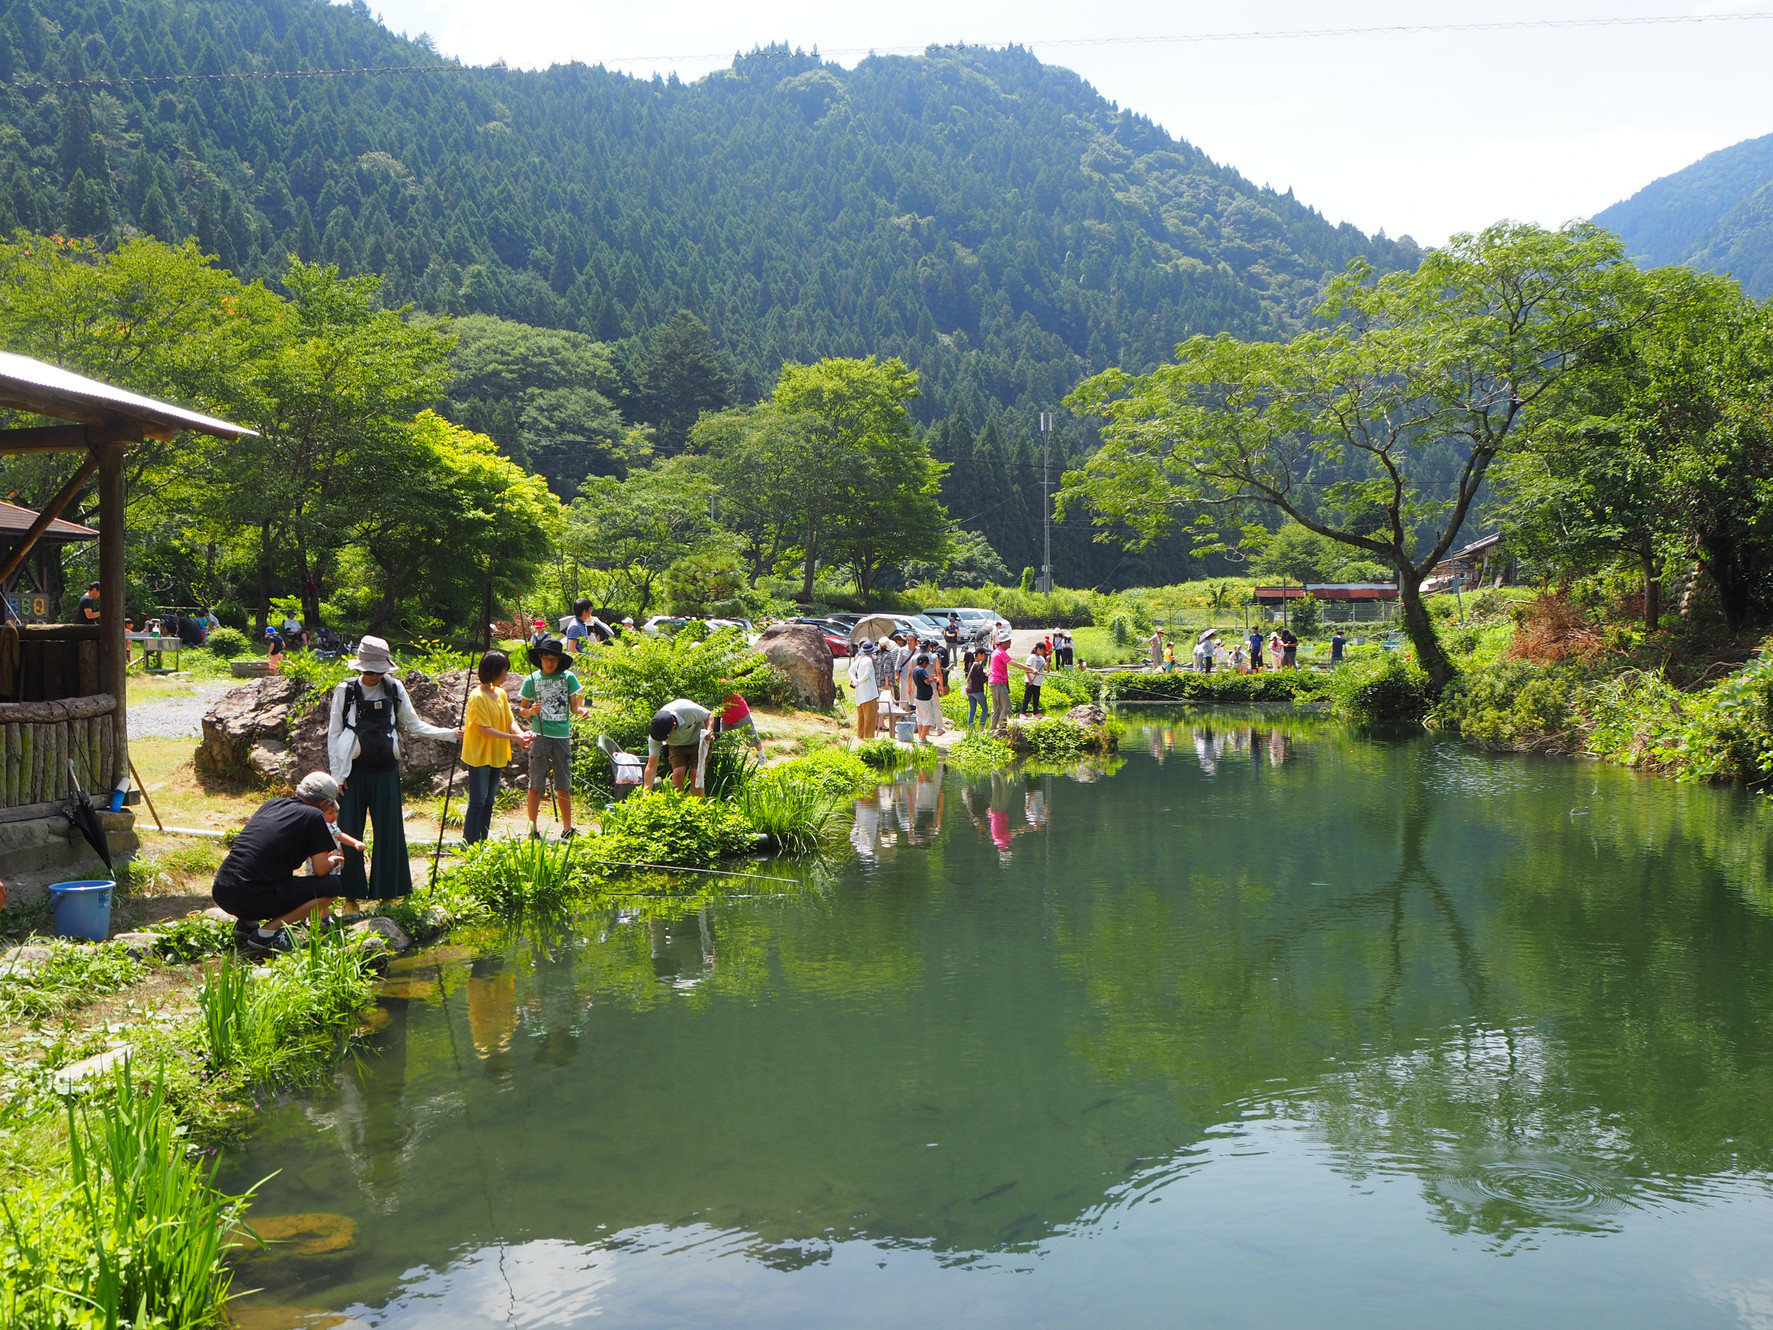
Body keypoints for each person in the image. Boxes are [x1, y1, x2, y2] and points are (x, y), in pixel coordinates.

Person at [327, 635, 462, 900]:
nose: (373, 676)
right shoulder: (346, 690)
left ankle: (389, 893)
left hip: (386, 770)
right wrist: (336, 776)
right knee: (349, 830)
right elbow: (334, 733)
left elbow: (414, 724)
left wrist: (449, 734)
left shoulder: (395, 689)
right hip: (352, 773)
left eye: (378, 671)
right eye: (369, 671)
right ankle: (350, 896)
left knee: (389, 831)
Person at [212, 772, 346, 958]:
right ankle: (268, 934)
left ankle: (248, 924)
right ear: (324, 803)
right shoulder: (314, 816)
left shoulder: (272, 803)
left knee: (263, 871)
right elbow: (321, 869)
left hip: (222, 889)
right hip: (250, 895)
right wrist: (332, 862)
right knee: (332, 886)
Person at [518, 638, 587, 837]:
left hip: (562, 736)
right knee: (536, 783)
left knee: (564, 784)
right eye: (547, 659)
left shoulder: (568, 678)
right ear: (540, 658)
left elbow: (574, 707)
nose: (550, 663)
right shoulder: (531, 679)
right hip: (540, 735)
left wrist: (581, 710)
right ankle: (533, 828)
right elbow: (522, 710)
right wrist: (531, 711)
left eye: (554, 660)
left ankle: (567, 828)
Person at [462, 650, 531, 844]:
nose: (506, 675)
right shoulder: (477, 697)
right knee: (477, 802)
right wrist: (514, 738)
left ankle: (482, 841)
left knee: (489, 801)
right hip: (479, 755)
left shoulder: (500, 693)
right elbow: (484, 729)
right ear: (494, 671)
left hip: (497, 754)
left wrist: (521, 735)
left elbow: (510, 720)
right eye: (504, 671)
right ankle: (470, 843)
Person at [645, 697, 713, 793]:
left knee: (696, 774)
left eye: (666, 737)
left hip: (698, 741)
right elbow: (652, 765)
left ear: (674, 725)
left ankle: (698, 805)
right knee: (678, 773)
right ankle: (677, 804)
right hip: (677, 746)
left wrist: (709, 730)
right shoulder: (656, 734)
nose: (664, 740)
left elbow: (709, 715)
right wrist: (646, 793)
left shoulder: (688, 710)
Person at [849, 638, 882, 739]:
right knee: (870, 717)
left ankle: (860, 736)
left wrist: (855, 680)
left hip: (860, 691)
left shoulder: (859, 659)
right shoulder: (868, 660)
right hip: (869, 692)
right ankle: (869, 738)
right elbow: (867, 674)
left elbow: (850, 670)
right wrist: (859, 681)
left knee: (861, 716)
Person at [911, 648, 942, 742]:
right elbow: (927, 681)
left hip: (918, 697)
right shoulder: (921, 671)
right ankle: (922, 739)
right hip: (925, 698)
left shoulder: (915, 670)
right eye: (927, 664)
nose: (927, 665)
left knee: (920, 719)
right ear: (924, 662)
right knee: (928, 720)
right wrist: (932, 679)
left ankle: (921, 737)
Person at [989, 632, 1017, 730]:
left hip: (994, 683)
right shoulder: (1001, 653)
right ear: (1003, 642)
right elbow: (1014, 664)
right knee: (1007, 706)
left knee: (996, 709)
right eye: (1009, 641)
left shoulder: (995, 652)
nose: (1010, 643)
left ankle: (992, 729)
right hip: (998, 683)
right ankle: (1001, 728)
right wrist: (1030, 669)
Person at [1020, 640, 1050, 715]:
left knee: (1036, 698)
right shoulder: (1032, 657)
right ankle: (1023, 713)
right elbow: (1026, 668)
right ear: (1038, 649)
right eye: (1043, 650)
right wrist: (1029, 680)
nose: (1044, 652)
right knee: (1027, 697)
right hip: (1031, 681)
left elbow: (1046, 668)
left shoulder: (1042, 658)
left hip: (1038, 682)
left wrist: (1048, 660)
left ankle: (1035, 712)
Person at [964, 645, 989, 729]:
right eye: (984, 655)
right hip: (977, 690)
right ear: (980, 654)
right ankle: (981, 728)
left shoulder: (971, 663)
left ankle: (970, 729)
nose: (985, 657)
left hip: (970, 690)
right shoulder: (978, 665)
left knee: (972, 710)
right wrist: (988, 674)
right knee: (985, 709)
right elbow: (982, 680)